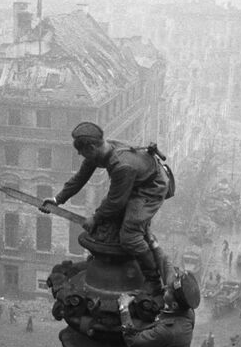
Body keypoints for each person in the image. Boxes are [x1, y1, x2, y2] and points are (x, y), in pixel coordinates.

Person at [41, 122, 170, 287]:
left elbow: (116, 201)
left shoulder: (121, 165)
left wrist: (95, 218)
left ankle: (152, 277)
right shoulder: (101, 152)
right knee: (114, 223)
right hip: (135, 181)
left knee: (130, 236)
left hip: (150, 188)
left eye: (81, 151)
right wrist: (57, 199)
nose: (80, 154)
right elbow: (80, 178)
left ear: (92, 147)